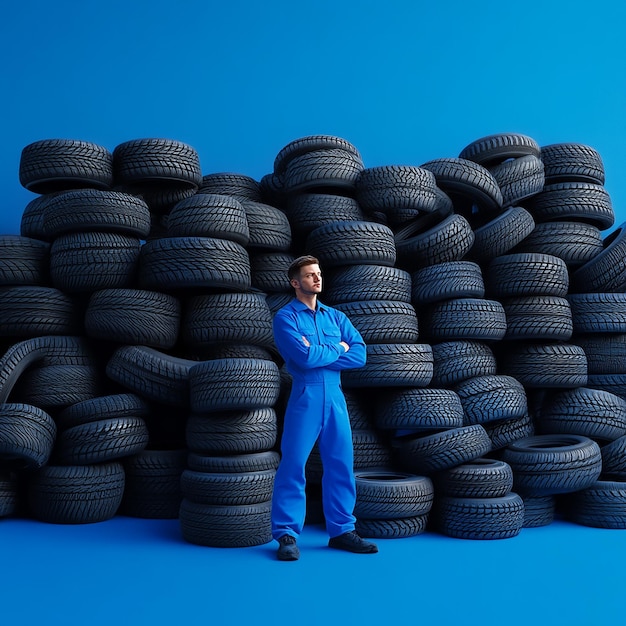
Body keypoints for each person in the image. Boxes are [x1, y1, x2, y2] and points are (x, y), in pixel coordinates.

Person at [270, 254, 378, 561]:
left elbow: (359, 355)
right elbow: (302, 359)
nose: (317, 279)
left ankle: (342, 531)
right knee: (293, 465)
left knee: (341, 465)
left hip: (335, 397)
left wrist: (321, 350)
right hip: (306, 396)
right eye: (309, 275)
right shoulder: (286, 318)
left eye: (318, 273)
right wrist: (338, 348)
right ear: (295, 282)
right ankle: (287, 534)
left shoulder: (337, 317)